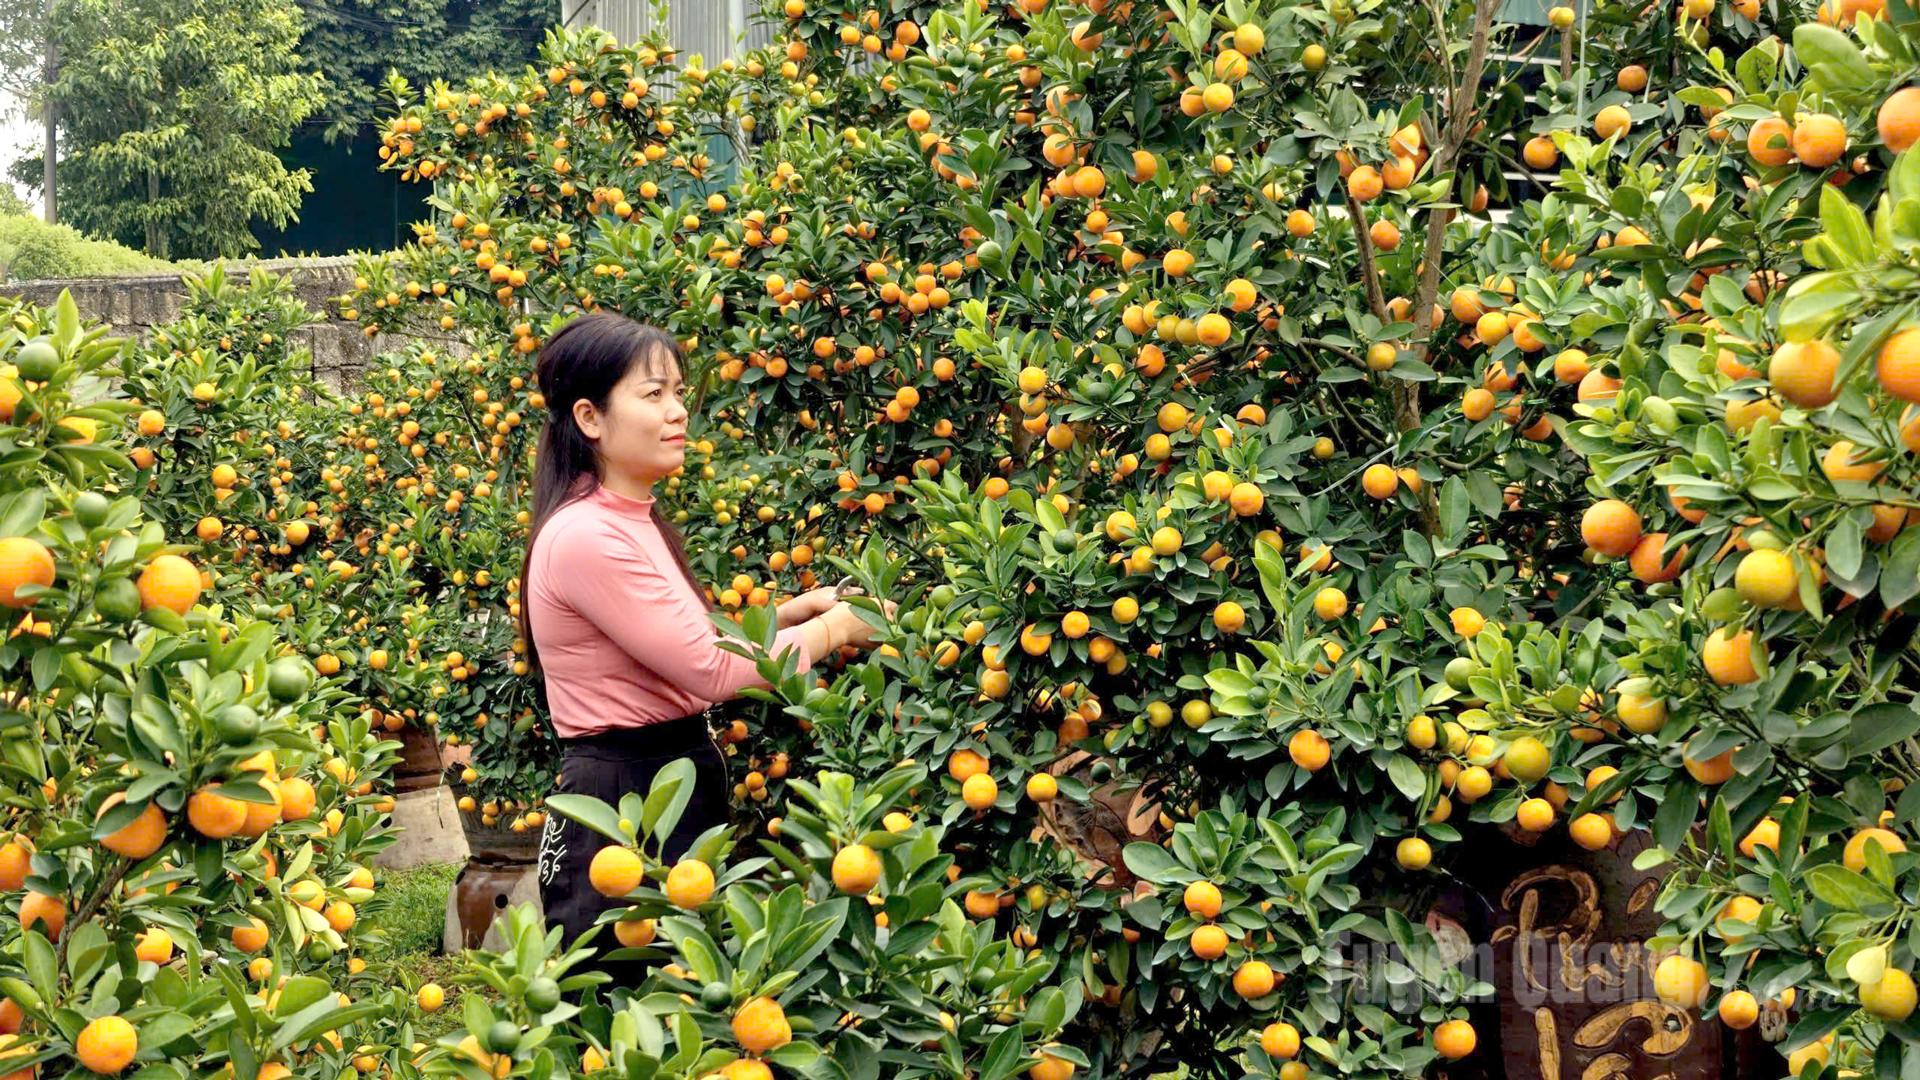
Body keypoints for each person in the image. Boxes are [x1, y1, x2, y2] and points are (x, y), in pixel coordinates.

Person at [519, 311, 894, 986]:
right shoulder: (588, 536)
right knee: (626, 1022)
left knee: (688, 1010)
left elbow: (676, 638)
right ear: (591, 418)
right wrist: (841, 629)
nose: (678, 413)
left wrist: (786, 614)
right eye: (653, 394)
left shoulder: (626, 519)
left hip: (664, 781)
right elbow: (711, 667)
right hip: (623, 801)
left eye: (679, 393)